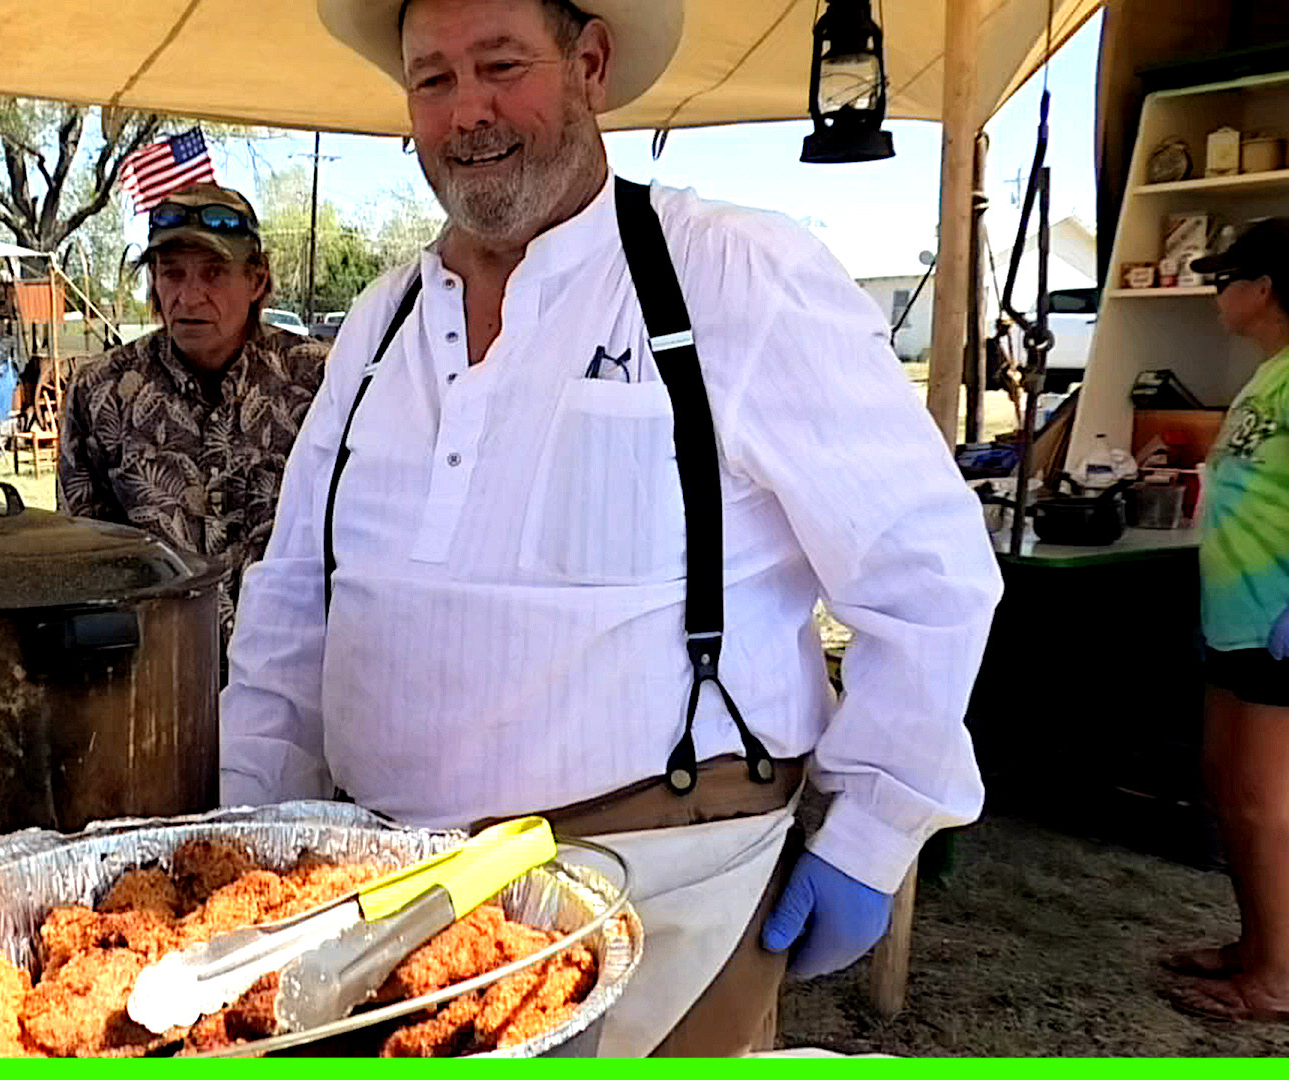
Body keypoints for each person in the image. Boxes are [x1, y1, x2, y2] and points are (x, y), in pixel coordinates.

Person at [222, 0, 1001, 1055]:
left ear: (590, 61)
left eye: (503, 65)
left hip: (665, 894)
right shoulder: (379, 322)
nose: (468, 113)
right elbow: (291, 604)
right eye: (433, 80)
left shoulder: (734, 274)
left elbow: (928, 573)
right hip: (386, 908)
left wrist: (873, 832)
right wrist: (250, 831)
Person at [57, 182, 328, 649]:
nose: (189, 295)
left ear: (257, 280)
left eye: (214, 273)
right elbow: (79, 556)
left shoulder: (321, 380)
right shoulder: (102, 391)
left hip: (294, 670)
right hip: (152, 669)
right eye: (172, 274)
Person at [1160, 219, 1289, 1023]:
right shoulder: (1270, 374)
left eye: (1224, 280)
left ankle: (1277, 978)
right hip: (1237, 619)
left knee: (1259, 800)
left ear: (1265, 288)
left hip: (1277, 622)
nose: (1217, 296)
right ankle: (1259, 943)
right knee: (1226, 786)